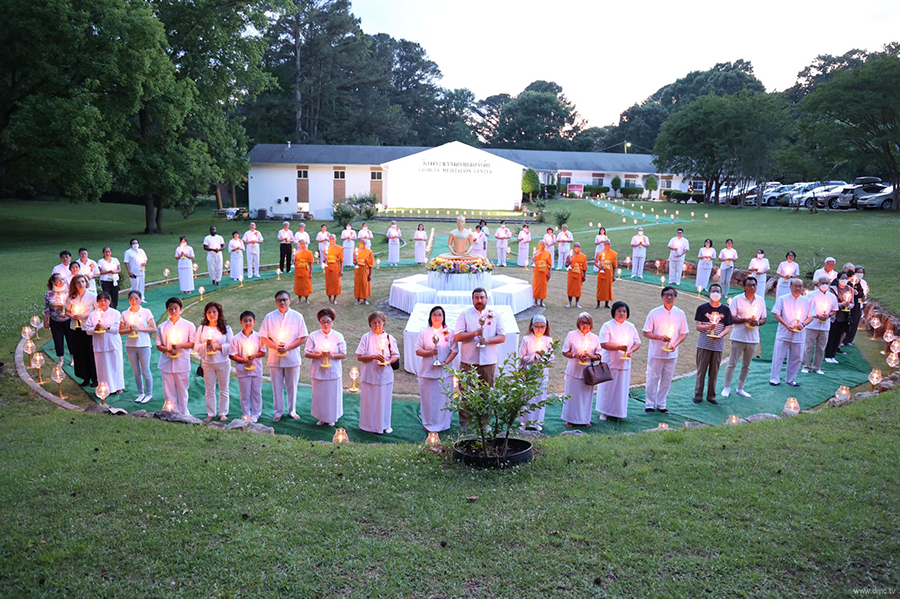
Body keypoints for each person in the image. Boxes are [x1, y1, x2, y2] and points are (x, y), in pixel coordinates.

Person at [454, 288, 506, 431]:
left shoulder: (495, 315)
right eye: (476, 298)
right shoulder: (465, 314)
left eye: (482, 298)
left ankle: (485, 422)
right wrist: (474, 333)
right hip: (469, 359)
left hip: (488, 360)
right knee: (466, 391)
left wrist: (488, 339)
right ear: (472, 299)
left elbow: (502, 336)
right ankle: (465, 422)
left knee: (487, 391)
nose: (479, 301)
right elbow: (458, 336)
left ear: (486, 299)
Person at [259, 290, 309, 421]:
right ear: (275, 302)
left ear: (290, 300)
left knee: (292, 385)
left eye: (284, 300)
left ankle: (292, 410)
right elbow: (263, 336)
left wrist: (288, 347)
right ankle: (278, 412)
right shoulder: (269, 317)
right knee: (277, 386)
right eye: (279, 300)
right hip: (275, 357)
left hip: (292, 357)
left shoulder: (297, 316)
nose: (282, 302)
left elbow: (303, 337)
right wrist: (275, 346)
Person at [642, 286, 690, 413]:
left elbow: (684, 333)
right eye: (667, 295)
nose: (669, 298)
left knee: (667, 379)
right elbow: (646, 332)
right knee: (653, 378)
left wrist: (676, 344)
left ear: (675, 297)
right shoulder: (654, 313)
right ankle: (649, 404)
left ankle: (661, 403)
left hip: (672, 354)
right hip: (656, 353)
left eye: (672, 295)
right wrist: (658, 337)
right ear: (662, 297)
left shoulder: (680, 313)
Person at [415, 306, 458, 433]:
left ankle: (443, 423)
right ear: (430, 317)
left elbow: (454, 350)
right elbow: (418, 350)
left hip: (444, 372)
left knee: (442, 399)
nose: (437, 317)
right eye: (434, 315)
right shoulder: (424, 333)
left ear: (443, 317)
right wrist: (430, 352)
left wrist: (445, 362)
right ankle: (428, 422)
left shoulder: (449, 333)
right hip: (427, 372)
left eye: (439, 315)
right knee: (428, 399)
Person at [722, 277, 767, 398]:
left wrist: (758, 322)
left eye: (754, 285)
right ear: (744, 287)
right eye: (749, 285)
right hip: (738, 337)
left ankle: (740, 388)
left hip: (753, 338)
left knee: (746, 366)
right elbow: (731, 318)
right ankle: (727, 387)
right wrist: (745, 320)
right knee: (732, 363)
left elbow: (764, 318)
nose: (752, 288)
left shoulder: (761, 300)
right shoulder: (737, 299)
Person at [597, 301, 641, 421]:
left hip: (624, 363)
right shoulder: (607, 325)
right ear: (614, 312)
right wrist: (618, 347)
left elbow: (638, 342)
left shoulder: (631, 326)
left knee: (621, 389)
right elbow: (604, 343)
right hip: (610, 362)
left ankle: (618, 413)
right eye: (619, 311)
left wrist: (631, 350)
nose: (622, 313)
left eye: (624, 311)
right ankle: (604, 411)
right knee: (608, 388)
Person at [356, 311, 400, 434]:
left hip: (385, 375)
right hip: (370, 374)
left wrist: (388, 361)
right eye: (374, 323)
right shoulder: (366, 337)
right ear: (370, 324)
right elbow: (359, 357)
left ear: (383, 323)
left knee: (384, 400)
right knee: (369, 400)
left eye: (379, 322)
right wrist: (373, 357)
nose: (376, 325)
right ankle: (368, 425)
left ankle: (385, 424)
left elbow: (395, 355)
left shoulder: (389, 338)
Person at [305, 307, 346, 427]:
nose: (326, 324)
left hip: (333, 370)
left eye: (328, 321)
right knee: (320, 394)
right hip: (319, 370)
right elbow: (307, 353)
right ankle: (321, 417)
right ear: (320, 323)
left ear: (332, 322)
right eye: (323, 322)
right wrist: (319, 355)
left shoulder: (338, 336)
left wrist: (332, 355)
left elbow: (343, 354)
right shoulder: (313, 335)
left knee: (332, 394)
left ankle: (332, 417)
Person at [693, 283, 733, 404]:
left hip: (717, 345)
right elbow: (698, 326)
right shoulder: (702, 308)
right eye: (713, 291)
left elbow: (728, 327)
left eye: (718, 291)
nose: (715, 293)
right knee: (701, 370)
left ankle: (711, 396)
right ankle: (698, 394)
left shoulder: (725, 310)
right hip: (704, 344)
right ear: (709, 293)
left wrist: (720, 335)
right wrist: (708, 326)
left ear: (721, 294)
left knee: (714, 372)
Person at [561, 312, 602, 427]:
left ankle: (584, 419)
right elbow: (565, 351)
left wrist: (590, 356)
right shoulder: (571, 335)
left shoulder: (595, 338)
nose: (585, 325)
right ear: (578, 323)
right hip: (574, 370)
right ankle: (570, 419)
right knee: (572, 395)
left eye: (587, 323)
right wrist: (575, 355)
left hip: (588, 372)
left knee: (586, 396)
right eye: (582, 322)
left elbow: (599, 355)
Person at [156, 297, 196, 414]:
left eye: (175, 309)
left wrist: (179, 346)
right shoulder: (162, 326)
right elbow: (158, 344)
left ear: (181, 309)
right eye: (171, 309)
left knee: (182, 389)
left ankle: (183, 411)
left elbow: (192, 343)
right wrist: (167, 349)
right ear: (167, 310)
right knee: (168, 390)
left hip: (182, 362)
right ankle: (171, 411)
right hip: (166, 362)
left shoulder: (188, 325)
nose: (173, 312)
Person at [770, 278, 813, 387]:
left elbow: (811, 316)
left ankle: (791, 379)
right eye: (796, 286)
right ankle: (774, 378)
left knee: (797, 358)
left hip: (799, 334)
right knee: (778, 357)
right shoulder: (782, 299)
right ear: (790, 287)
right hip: (784, 333)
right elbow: (776, 313)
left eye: (800, 286)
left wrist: (803, 324)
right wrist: (786, 324)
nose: (798, 289)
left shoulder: (806, 301)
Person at [196, 302, 233, 422]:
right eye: (209, 312)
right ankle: (211, 412)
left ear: (219, 313)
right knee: (209, 388)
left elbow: (231, 345)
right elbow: (196, 346)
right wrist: (205, 346)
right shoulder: (202, 329)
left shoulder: (225, 328)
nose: (211, 315)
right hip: (208, 362)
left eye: (214, 312)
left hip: (222, 361)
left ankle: (223, 412)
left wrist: (218, 347)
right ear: (205, 314)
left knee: (224, 388)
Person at [517, 315, 553, 430]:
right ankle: (524, 421)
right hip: (528, 373)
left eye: (542, 327)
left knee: (539, 397)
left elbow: (552, 360)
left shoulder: (548, 340)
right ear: (532, 327)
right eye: (536, 326)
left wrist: (543, 358)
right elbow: (520, 357)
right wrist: (533, 358)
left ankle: (537, 422)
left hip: (542, 374)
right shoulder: (526, 339)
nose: (539, 329)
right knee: (527, 397)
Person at [229, 311, 266, 422]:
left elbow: (263, 352)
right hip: (242, 370)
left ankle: (256, 413)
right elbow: (232, 354)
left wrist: (253, 356)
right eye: (245, 321)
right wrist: (244, 360)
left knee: (256, 392)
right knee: (245, 393)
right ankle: (246, 414)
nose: (248, 323)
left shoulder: (259, 337)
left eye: (250, 321)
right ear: (241, 322)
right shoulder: (236, 338)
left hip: (256, 369)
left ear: (254, 322)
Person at [119, 290, 156, 404]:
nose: (134, 301)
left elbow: (153, 328)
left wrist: (139, 329)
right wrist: (129, 330)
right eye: (131, 299)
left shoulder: (146, 312)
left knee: (145, 370)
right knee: (136, 371)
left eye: (136, 299)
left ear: (140, 299)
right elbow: (120, 331)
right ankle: (141, 393)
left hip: (143, 344)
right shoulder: (125, 313)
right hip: (130, 345)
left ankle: (149, 393)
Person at [85, 291, 124, 395]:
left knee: (115, 365)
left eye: (105, 300)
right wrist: (95, 328)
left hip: (112, 343)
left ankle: (118, 387)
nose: (103, 302)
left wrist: (106, 327)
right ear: (97, 302)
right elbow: (87, 330)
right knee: (102, 367)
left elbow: (117, 329)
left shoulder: (115, 313)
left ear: (109, 301)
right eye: (100, 301)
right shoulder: (93, 314)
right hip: (99, 344)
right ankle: (104, 388)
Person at [802, 275, 839, 374]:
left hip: (825, 326)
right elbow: (807, 308)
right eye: (822, 283)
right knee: (808, 346)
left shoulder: (832, 296)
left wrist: (828, 315)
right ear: (818, 284)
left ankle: (817, 367)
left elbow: (835, 309)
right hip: (812, 324)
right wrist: (817, 316)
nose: (824, 285)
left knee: (821, 347)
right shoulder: (811, 295)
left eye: (826, 283)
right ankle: (806, 366)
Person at [66, 274, 97, 387]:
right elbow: (67, 311)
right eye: (78, 282)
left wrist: (83, 315)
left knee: (90, 352)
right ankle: (85, 377)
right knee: (79, 353)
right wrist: (72, 316)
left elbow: (96, 311)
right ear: (74, 284)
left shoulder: (92, 296)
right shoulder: (72, 297)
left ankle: (95, 377)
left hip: (87, 328)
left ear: (86, 282)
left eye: (82, 281)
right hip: (75, 328)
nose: (81, 284)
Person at [824, 271, 855, 363]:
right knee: (832, 335)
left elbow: (852, 303)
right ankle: (828, 354)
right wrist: (841, 304)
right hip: (835, 316)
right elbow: (830, 303)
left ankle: (833, 355)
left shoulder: (850, 290)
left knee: (838, 335)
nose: (844, 280)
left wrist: (848, 305)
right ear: (838, 279)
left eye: (846, 278)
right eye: (842, 278)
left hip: (844, 317)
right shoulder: (832, 289)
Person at [44, 274, 72, 364]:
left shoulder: (68, 292)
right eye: (59, 280)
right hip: (55, 320)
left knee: (71, 339)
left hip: (68, 320)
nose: (61, 282)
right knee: (58, 339)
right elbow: (47, 308)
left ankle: (73, 358)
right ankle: (61, 360)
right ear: (53, 282)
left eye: (63, 280)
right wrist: (46, 320)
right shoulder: (49, 294)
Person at [843, 266, 867, 347]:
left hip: (858, 304)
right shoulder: (849, 281)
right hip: (848, 303)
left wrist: (860, 294)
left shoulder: (861, 283)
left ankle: (849, 339)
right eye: (858, 272)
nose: (860, 274)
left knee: (855, 322)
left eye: (862, 272)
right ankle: (843, 339)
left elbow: (862, 293)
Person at [594, 240, 618, 309]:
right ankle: (598, 303)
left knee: (608, 288)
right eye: (606, 244)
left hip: (609, 272)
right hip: (602, 272)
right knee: (600, 287)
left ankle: (606, 303)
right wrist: (599, 266)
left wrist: (614, 275)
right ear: (604, 244)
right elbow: (595, 262)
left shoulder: (613, 254)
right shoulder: (600, 253)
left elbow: (614, 266)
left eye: (608, 244)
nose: (607, 245)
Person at [565, 242, 588, 308]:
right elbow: (566, 265)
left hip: (579, 274)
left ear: (580, 248)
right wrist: (569, 262)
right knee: (570, 288)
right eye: (576, 247)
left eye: (578, 247)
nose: (577, 248)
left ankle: (577, 303)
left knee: (578, 288)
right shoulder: (569, 256)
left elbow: (584, 267)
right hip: (571, 273)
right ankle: (570, 303)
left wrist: (584, 275)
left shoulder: (583, 256)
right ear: (574, 248)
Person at [354, 239, 375, 305]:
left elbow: (371, 264)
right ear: (359, 243)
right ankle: (358, 299)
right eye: (361, 243)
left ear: (366, 244)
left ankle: (365, 299)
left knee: (364, 284)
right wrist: (356, 262)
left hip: (365, 270)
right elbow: (354, 262)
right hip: (358, 270)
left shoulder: (369, 252)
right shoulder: (356, 251)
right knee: (358, 284)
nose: (362, 244)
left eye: (364, 243)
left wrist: (370, 274)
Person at [324, 233, 343, 304]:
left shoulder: (339, 248)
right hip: (328, 267)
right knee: (329, 283)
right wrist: (325, 258)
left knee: (336, 282)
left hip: (335, 267)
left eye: (333, 238)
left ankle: (335, 299)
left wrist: (341, 270)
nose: (331, 240)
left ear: (335, 239)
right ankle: (329, 299)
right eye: (330, 239)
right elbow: (324, 261)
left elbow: (341, 260)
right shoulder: (326, 249)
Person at [531, 242, 551, 307]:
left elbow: (550, 264)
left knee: (543, 286)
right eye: (539, 244)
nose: (541, 245)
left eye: (542, 244)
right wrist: (533, 258)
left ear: (544, 245)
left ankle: (542, 302)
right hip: (537, 272)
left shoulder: (547, 253)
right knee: (536, 285)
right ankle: (536, 301)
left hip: (544, 272)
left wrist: (549, 272)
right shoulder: (535, 252)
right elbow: (532, 263)